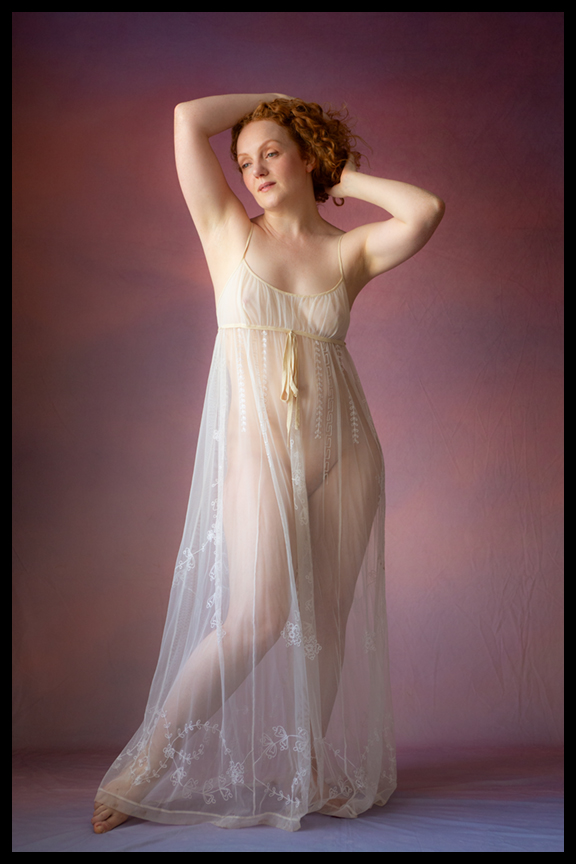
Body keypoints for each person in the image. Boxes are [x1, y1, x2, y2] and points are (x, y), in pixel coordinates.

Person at [92, 93, 444, 834]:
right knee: (255, 619)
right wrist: (270, 99)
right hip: (261, 455)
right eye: (245, 160)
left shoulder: (349, 251)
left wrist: (341, 173)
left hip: (347, 452)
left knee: (328, 621)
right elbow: (188, 118)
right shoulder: (228, 232)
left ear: (306, 157)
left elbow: (425, 211)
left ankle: (307, 768)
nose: (254, 170)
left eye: (272, 152)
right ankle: (142, 769)